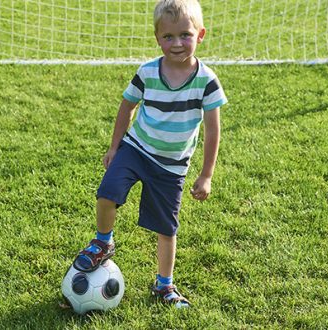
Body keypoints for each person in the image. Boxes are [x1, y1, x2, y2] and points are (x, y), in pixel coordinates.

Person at [73, 0, 227, 308]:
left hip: (171, 166)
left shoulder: (206, 81)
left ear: (200, 35)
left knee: (166, 229)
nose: (177, 43)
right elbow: (127, 107)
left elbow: (212, 130)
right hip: (136, 149)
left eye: (185, 34)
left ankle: (164, 286)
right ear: (157, 38)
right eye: (168, 37)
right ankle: (103, 242)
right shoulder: (147, 72)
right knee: (107, 192)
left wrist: (206, 174)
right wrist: (115, 146)